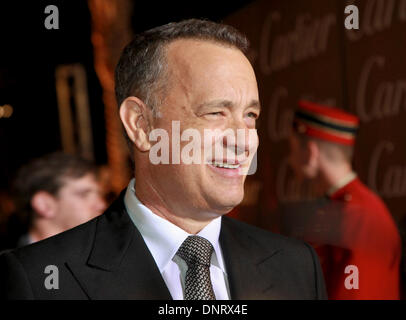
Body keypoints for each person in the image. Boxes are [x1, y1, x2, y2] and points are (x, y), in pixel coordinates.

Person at [0, 19, 326, 300]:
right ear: (141, 125)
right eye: (215, 112)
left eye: (251, 115)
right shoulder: (39, 281)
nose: (243, 140)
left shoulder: (296, 267)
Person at [287, 100, 401, 299]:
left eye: (293, 149)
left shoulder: (359, 215)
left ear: (311, 153)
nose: (290, 159)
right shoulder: (342, 207)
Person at [0, 152, 106, 250]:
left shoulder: (101, 252)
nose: (101, 205)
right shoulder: (10, 267)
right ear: (44, 205)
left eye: (99, 194)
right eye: (83, 194)